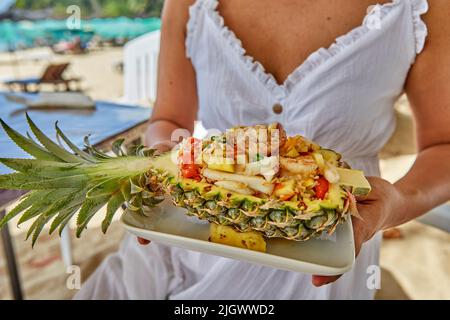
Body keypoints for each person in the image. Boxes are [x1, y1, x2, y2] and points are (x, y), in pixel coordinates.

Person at [75, 0, 450, 299]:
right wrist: (167, 160)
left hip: (328, 245)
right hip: (187, 232)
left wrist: (397, 202)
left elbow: (443, 146)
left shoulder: (423, 6)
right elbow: (169, 119)